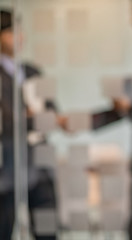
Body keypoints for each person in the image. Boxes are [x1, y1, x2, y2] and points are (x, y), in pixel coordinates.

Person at [0, 9, 57, 240]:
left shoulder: (33, 72)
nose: (20, 37)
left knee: (47, 232)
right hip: (7, 170)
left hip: (40, 167)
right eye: (12, 32)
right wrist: (31, 117)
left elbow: (52, 112)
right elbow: (9, 121)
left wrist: (31, 117)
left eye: (20, 31)